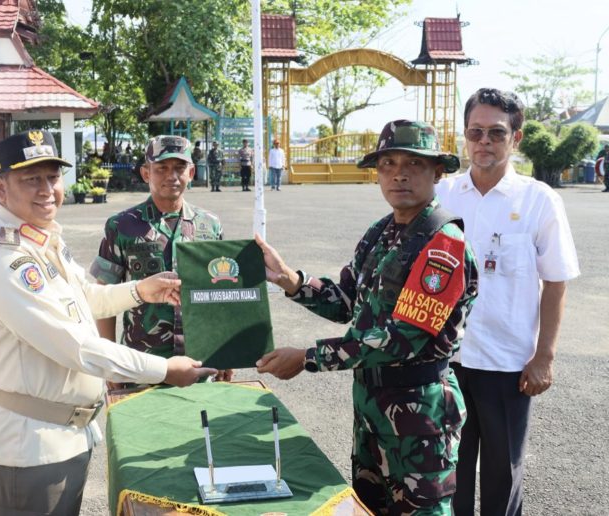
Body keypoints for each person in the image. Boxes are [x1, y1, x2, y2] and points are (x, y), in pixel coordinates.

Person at [0, 130, 217, 516]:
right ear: (1, 187)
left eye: (52, 176)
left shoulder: (38, 237)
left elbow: (85, 296)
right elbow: (77, 347)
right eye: (31, 179)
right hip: (28, 446)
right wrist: (165, 369)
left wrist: (139, 291)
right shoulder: (7, 260)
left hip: (59, 436)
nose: (46, 189)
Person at [255, 120, 478, 515]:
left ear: (437, 172)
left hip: (419, 417)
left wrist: (308, 357)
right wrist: (292, 281)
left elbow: (403, 339)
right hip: (372, 410)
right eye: (388, 164)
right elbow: (346, 300)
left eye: (414, 163)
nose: (399, 174)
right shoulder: (382, 232)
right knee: (369, 507)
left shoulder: (443, 244)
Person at [436, 88, 580, 516]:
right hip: (448, 361)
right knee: (450, 474)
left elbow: (555, 282)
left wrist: (544, 357)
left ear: (515, 138)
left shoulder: (539, 201)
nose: (484, 142)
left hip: (508, 366)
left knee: (502, 476)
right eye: (476, 132)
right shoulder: (444, 196)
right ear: (465, 135)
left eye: (496, 133)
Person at [91, 135, 230, 384]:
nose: (171, 176)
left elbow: (218, 294)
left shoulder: (209, 225)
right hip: (140, 365)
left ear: (191, 171)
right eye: (161, 168)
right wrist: (109, 363)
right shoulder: (122, 226)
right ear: (146, 173)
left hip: (197, 363)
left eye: (179, 168)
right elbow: (104, 298)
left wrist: (225, 353)